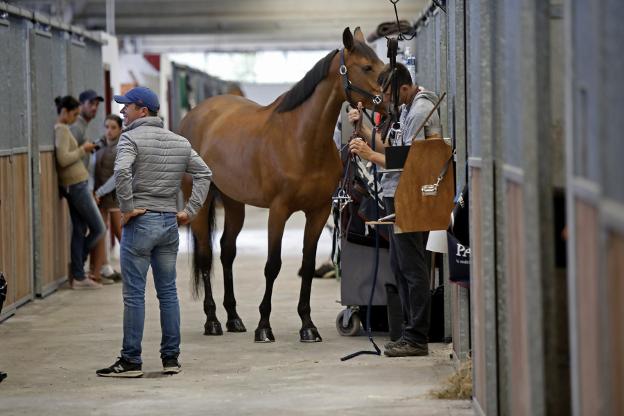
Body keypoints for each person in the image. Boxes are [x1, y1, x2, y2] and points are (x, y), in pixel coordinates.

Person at [96, 87, 212, 378]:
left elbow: (122, 173)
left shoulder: (130, 139)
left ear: (143, 110)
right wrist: (190, 210)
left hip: (141, 222)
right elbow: (204, 173)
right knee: (168, 293)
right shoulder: (178, 141)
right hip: (168, 224)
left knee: (134, 296)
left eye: (127, 107)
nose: (122, 112)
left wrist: (127, 207)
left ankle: (131, 361)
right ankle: (171, 358)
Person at [348, 63, 441, 357]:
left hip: (410, 196)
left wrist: (368, 155)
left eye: (388, 93)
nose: (385, 99)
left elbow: (407, 161)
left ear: (403, 87)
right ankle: (409, 333)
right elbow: (391, 148)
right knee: (401, 266)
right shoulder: (406, 109)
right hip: (397, 194)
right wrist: (362, 127)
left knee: (413, 267)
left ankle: (417, 337)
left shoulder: (419, 110)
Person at [54, 96, 106, 290]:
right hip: (76, 184)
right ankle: (77, 268)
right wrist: (83, 149)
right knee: (99, 228)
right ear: (65, 112)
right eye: (74, 114)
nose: (75, 118)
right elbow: (63, 159)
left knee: (79, 229)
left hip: (77, 183)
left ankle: (78, 275)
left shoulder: (64, 129)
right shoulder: (62, 129)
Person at [91, 115, 125, 285]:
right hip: (100, 196)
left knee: (121, 235)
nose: (109, 131)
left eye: (113, 127)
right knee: (100, 232)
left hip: (114, 196)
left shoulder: (122, 147)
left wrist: (100, 191)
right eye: (107, 127)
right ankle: (101, 269)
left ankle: (132, 270)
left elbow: (117, 176)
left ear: (120, 129)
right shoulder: (100, 144)